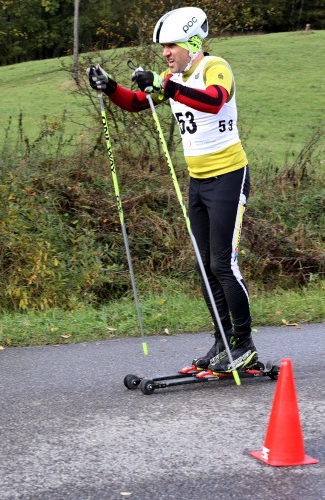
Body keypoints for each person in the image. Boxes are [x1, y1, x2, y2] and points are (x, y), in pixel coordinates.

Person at [87, 7, 257, 373]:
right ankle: (222, 340)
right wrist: (110, 86)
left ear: (192, 43)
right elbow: (137, 103)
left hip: (229, 176)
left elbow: (214, 100)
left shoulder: (214, 66)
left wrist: (167, 86)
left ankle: (244, 344)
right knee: (205, 266)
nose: (165, 53)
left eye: (171, 46)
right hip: (198, 182)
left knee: (223, 263)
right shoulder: (171, 77)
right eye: (163, 48)